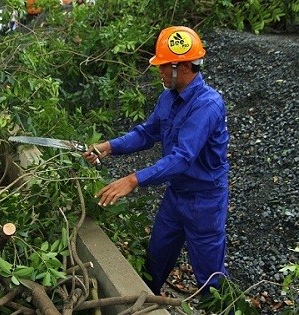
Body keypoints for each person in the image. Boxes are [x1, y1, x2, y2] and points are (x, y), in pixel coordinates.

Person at [83, 26, 230, 296]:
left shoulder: (207, 105)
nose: (159, 72)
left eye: (163, 67)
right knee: (156, 259)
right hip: (177, 196)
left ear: (182, 67)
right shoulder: (169, 97)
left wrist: (133, 180)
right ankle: (143, 305)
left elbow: (183, 158)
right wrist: (109, 147)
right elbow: (148, 132)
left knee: (210, 279)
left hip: (205, 202)